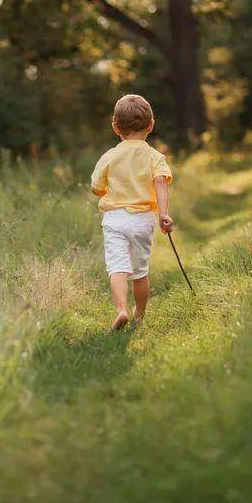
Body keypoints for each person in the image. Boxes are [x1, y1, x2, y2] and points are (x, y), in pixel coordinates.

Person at [90, 94, 174, 331]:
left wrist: (106, 189)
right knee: (139, 272)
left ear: (115, 127)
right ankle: (140, 314)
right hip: (142, 219)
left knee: (117, 268)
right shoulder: (154, 157)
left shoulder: (109, 156)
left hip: (115, 218)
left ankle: (121, 310)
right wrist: (163, 214)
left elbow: (96, 188)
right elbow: (160, 183)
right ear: (151, 125)